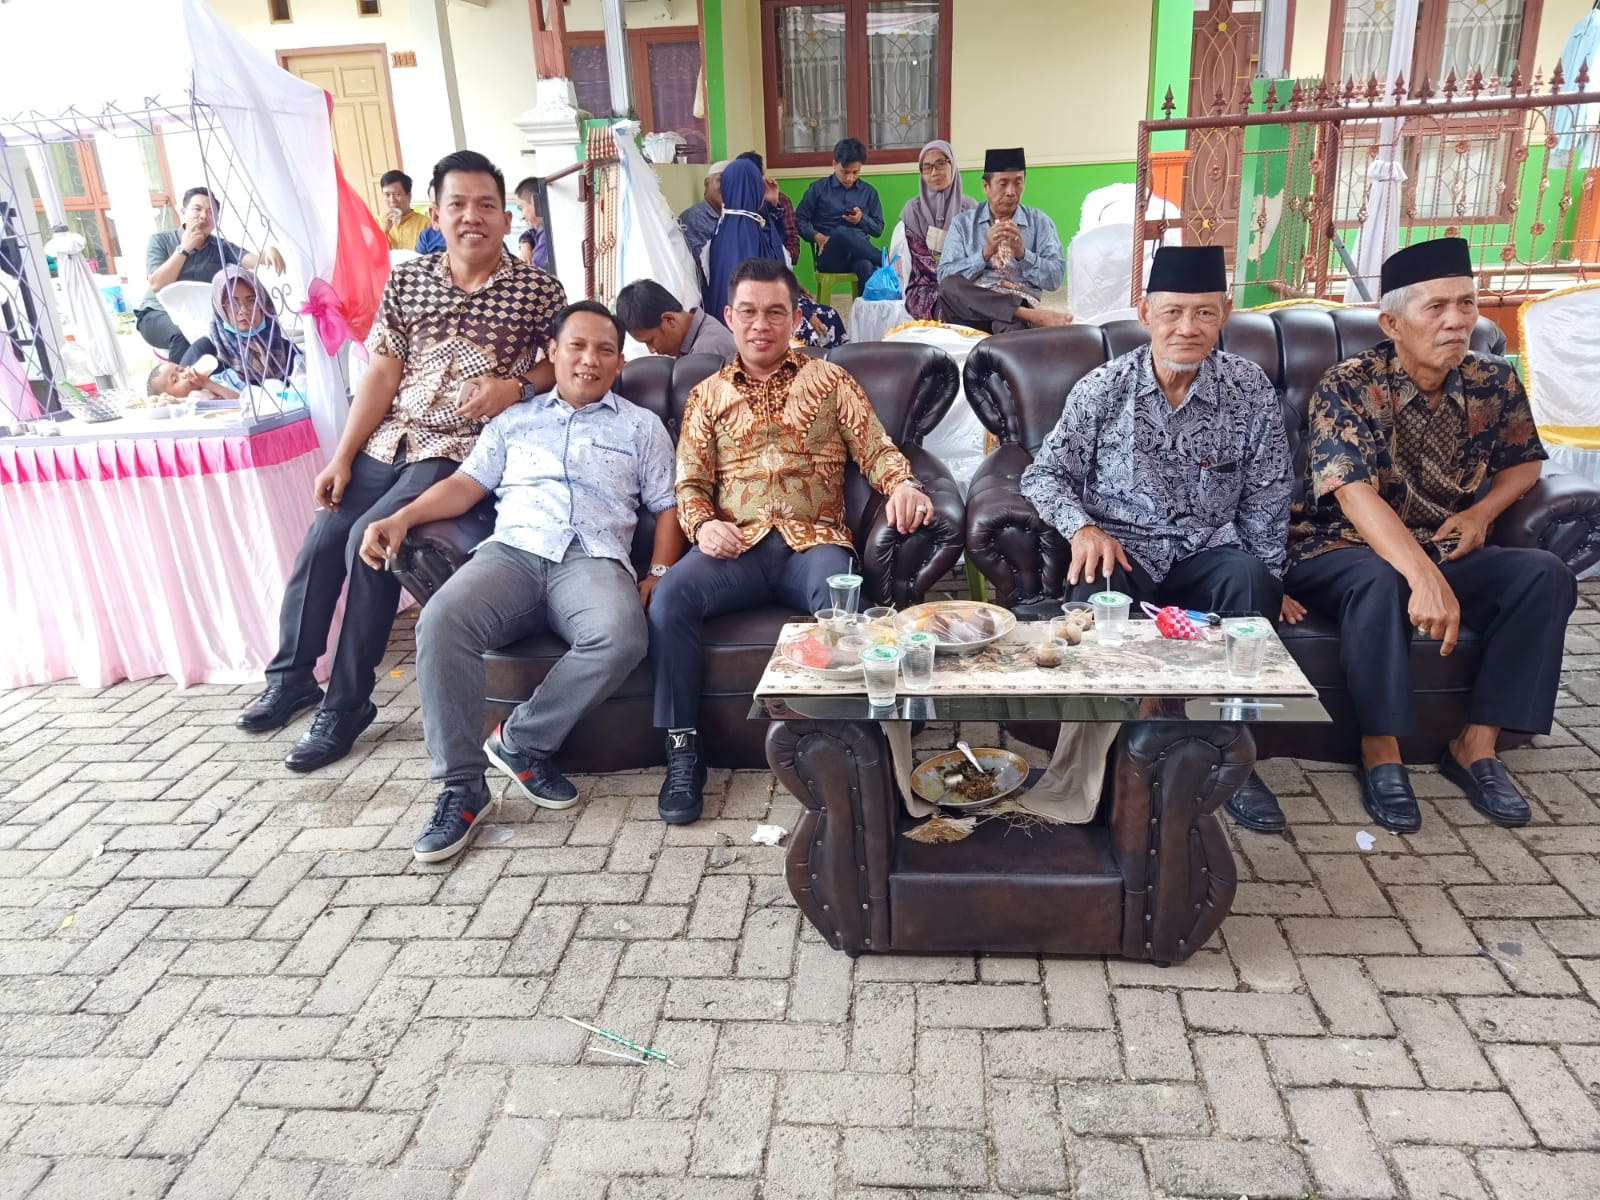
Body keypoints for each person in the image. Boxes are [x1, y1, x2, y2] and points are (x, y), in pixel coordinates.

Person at [232, 150, 568, 772]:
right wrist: (342, 456)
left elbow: (562, 362)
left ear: (505, 217)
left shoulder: (538, 290)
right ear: (435, 213)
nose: (472, 217)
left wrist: (515, 387)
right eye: (458, 204)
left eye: (486, 205)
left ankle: (347, 703)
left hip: (459, 445)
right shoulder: (409, 281)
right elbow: (383, 372)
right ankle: (292, 678)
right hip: (391, 438)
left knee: (372, 539)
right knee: (323, 536)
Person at [356, 301, 683, 862]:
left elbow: (668, 505)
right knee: (442, 620)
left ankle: (520, 739)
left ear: (619, 361)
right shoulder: (513, 421)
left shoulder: (640, 426)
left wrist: (658, 571)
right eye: (577, 346)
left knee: (621, 635)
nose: (590, 359)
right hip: (512, 552)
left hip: (593, 558)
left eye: (604, 350)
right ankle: (461, 787)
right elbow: (466, 486)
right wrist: (401, 517)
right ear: (553, 352)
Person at [1274, 236, 1575, 835]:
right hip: (1338, 544)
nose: (1457, 321)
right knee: (1378, 579)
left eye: (1466, 304)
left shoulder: (1493, 379)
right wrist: (1422, 577)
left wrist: (1483, 513)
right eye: (1436, 307)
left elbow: (1524, 463)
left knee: (1545, 575)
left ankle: (1476, 745)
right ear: (1392, 323)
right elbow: (1352, 492)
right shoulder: (1349, 383)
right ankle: (1381, 749)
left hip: (1445, 543)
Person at [647, 257, 934, 824]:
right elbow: (690, 484)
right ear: (729, 316)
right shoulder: (705, 396)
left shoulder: (830, 381)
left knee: (841, 598)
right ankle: (682, 751)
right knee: (670, 598)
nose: (761, 325)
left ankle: (859, 746)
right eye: (749, 312)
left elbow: (876, 449)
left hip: (815, 542)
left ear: (795, 317)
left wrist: (904, 485)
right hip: (736, 549)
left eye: (775, 312)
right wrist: (703, 525)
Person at [1020, 245, 1292, 825]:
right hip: (1125, 550)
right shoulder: (1103, 389)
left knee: (1249, 581)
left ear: (1225, 314)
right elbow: (1043, 475)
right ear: (1146, 313)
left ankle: (1232, 755)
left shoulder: (1249, 389)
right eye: (1172, 312)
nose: (1187, 328)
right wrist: (1083, 528)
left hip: (1207, 550)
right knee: (1095, 588)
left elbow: (1268, 493)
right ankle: (1105, 760)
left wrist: (1273, 577)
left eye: (1204, 312)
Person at [135, 187, 285, 362]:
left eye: (210, 212)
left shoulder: (220, 247)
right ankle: (178, 380)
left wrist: (268, 253)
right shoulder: (161, 240)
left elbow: (250, 259)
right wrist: (184, 248)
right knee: (183, 336)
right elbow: (157, 284)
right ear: (183, 212)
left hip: (197, 316)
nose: (203, 216)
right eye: (197, 209)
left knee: (226, 338)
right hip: (156, 313)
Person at [937, 148, 1070, 332]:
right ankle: (1027, 314)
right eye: (1003, 184)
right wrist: (984, 254)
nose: (1011, 192)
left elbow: (1054, 278)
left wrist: (1023, 254)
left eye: (1018, 183)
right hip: (971, 310)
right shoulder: (963, 223)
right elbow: (944, 275)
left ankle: (1018, 314)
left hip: (1017, 303)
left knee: (1009, 326)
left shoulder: (1040, 222)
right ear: (986, 186)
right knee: (949, 285)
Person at [702, 159, 789, 320]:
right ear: (757, 189)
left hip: (722, 323)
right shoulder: (753, 232)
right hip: (756, 324)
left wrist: (771, 205)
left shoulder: (721, 229)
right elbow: (780, 265)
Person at [901, 139, 975, 320]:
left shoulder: (971, 209)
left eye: (940, 164)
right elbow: (921, 261)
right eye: (927, 167)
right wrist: (951, 280)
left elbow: (977, 254)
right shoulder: (913, 211)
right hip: (926, 285)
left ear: (952, 164)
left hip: (967, 282)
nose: (934, 172)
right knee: (948, 305)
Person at [795, 138, 883, 291]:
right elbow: (799, 219)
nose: (850, 178)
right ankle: (883, 259)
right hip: (830, 256)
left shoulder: (869, 192)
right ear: (834, 164)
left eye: (855, 172)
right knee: (841, 232)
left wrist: (861, 219)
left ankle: (863, 308)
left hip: (859, 255)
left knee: (866, 266)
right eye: (845, 172)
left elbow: (878, 229)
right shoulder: (818, 189)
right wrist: (817, 236)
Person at [208, 266, 301, 388]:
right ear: (220, 310)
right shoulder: (207, 352)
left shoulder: (287, 349)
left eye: (252, 301)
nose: (243, 310)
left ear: (263, 303)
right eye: (231, 303)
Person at [616, 279, 736, 360]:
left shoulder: (706, 352)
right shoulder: (699, 338)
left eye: (650, 341)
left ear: (669, 320)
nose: (651, 350)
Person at [737, 150, 799, 263]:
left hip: (776, 266)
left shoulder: (781, 200)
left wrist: (773, 206)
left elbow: (793, 247)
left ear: (762, 176)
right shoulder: (733, 205)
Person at [678, 162, 727, 268]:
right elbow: (702, 265)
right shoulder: (693, 218)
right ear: (707, 183)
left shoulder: (733, 218)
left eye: (732, 183)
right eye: (721, 180)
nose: (726, 186)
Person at [379, 170, 430, 252]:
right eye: (387, 195)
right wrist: (384, 231)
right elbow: (373, 254)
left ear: (409, 196)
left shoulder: (426, 224)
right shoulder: (378, 222)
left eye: (398, 194)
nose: (392, 200)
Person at [513, 176, 549, 270]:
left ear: (534, 200)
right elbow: (530, 233)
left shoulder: (547, 234)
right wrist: (525, 242)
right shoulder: (541, 228)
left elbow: (537, 269)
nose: (522, 217)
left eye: (521, 208)